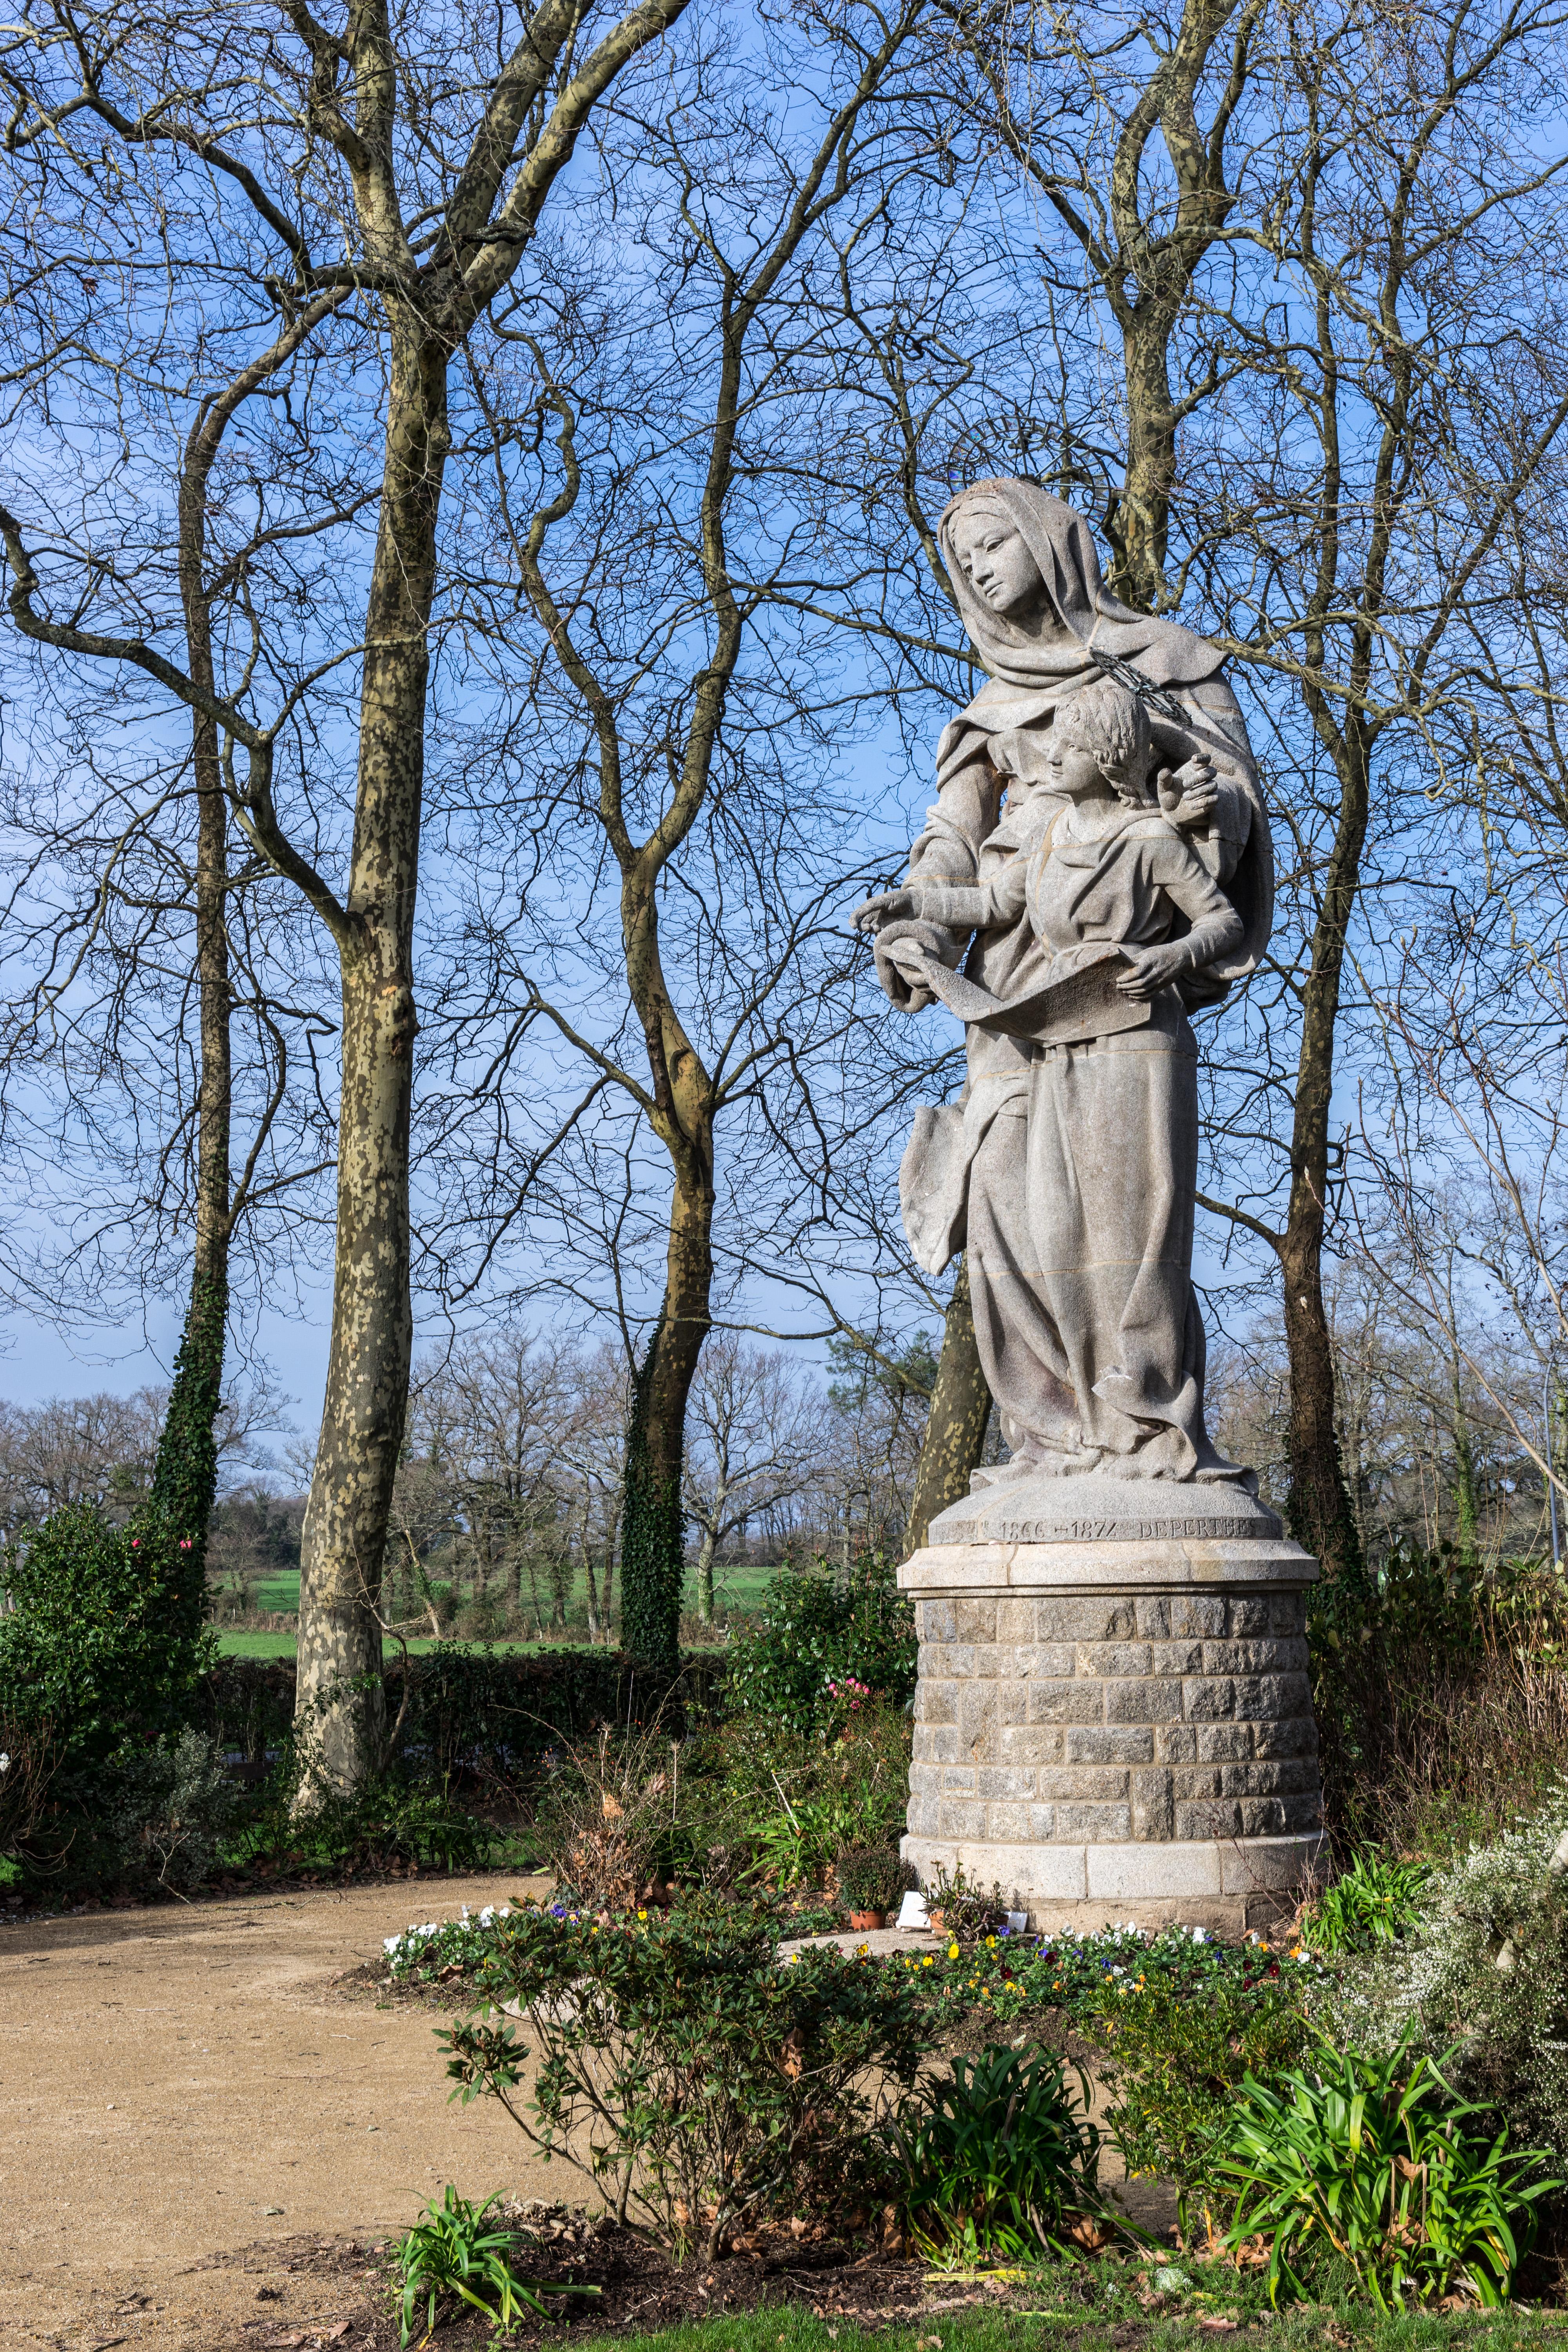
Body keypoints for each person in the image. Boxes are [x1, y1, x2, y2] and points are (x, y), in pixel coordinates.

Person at [855, 478, 1272, 1485]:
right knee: (1004, 1210)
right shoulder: (988, 710)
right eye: (964, 561)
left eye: (993, 542)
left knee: (1127, 1225)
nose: (980, 568)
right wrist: (919, 917)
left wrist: (1189, 794)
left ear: (1050, 541)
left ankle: (1140, 1430)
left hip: (1121, 983)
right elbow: (950, 846)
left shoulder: (1167, 665)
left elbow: (1231, 812)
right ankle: (1048, 1439)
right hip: (1008, 997)